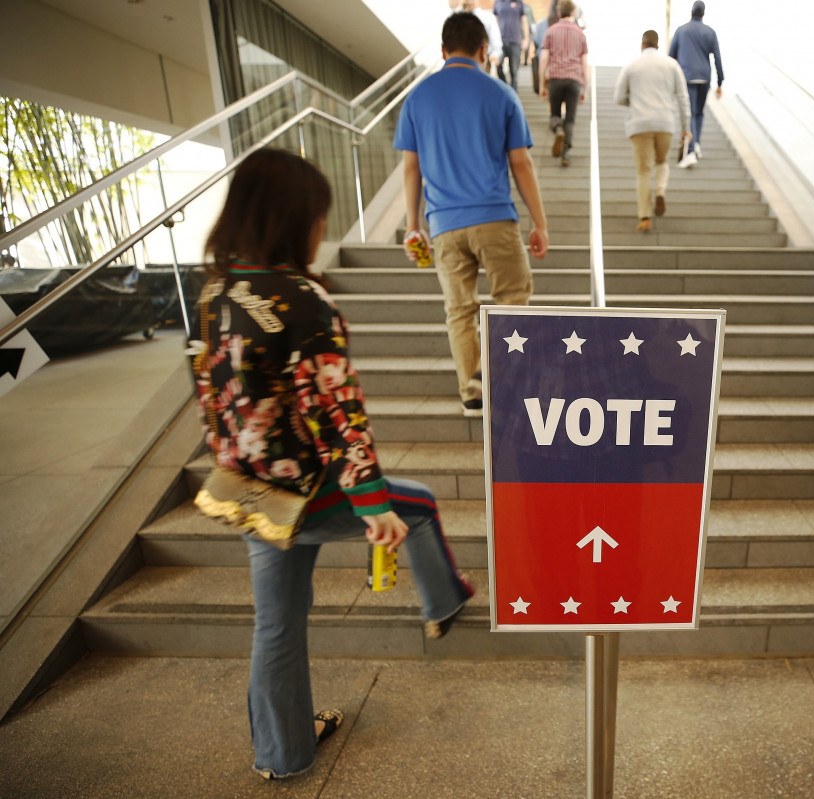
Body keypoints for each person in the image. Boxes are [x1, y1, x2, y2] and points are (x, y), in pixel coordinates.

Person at [189, 149, 475, 780]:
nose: (321, 229)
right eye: (318, 216)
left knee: (278, 627)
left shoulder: (216, 292)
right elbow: (338, 413)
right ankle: (444, 603)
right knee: (419, 505)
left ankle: (283, 754)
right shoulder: (300, 300)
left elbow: (212, 394)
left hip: (244, 490)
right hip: (303, 489)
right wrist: (372, 503)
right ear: (293, 219)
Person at [396, 12, 549, 417]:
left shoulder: (417, 98)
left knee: (459, 309)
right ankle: (499, 376)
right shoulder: (500, 95)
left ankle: (472, 391)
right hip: (495, 218)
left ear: (443, 51)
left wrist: (413, 226)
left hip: (444, 225)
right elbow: (521, 164)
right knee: (512, 298)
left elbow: (411, 169)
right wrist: (540, 222)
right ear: (484, 51)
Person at [614, 30, 691, 232]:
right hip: (665, 123)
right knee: (662, 161)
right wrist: (686, 128)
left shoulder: (631, 66)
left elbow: (619, 97)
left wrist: (637, 101)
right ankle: (660, 191)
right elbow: (683, 98)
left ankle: (645, 217)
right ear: (658, 45)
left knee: (643, 170)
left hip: (639, 124)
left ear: (642, 45)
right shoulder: (671, 65)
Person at [669, 1, 724, 169]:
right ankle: (697, 143)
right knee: (699, 112)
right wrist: (720, 81)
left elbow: (671, 57)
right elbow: (717, 57)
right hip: (705, 77)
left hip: (687, 77)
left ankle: (691, 150)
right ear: (703, 14)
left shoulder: (681, 30)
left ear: (691, 12)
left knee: (691, 112)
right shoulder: (710, 32)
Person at [539, 0, 588, 167]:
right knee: (571, 118)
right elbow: (585, 63)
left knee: (554, 115)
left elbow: (544, 59)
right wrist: (585, 88)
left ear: (558, 13)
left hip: (555, 79)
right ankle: (566, 153)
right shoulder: (581, 34)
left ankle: (557, 129)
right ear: (573, 13)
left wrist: (541, 84)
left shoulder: (550, 31)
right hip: (574, 80)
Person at [449, 0, 501, 73]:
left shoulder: (487, 17)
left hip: (481, 58)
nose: (470, 1)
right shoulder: (456, 16)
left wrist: (495, 53)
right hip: (460, 58)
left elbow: (495, 37)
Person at [493, 0, 530, 90]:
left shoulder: (518, 2)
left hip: (515, 41)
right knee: (498, 65)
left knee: (514, 70)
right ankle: (505, 88)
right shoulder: (498, 2)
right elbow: (495, 21)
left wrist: (526, 38)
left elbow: (524, 21)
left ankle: (514, 93)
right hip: (500, 41)